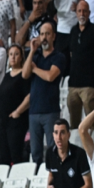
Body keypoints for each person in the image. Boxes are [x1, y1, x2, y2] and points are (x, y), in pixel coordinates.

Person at [23, 22, 65, 165]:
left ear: (54, 36)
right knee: (35, 152)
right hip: (34, 111)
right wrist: (32, 52)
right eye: (41, 34)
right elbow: (24, 74)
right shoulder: (35, 57)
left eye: (47, 34)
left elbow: (50, 76)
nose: (44, 37)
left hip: (50, 111)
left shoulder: (59, 56)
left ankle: (55, 178)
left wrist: (35, 69)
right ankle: (37, 179)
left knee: (54, 149)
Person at [67, 1, 94, 130]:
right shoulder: (73, 31)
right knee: (74, 125)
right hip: (73, 84)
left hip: (88, 85)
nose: (82, 14)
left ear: (89, 13)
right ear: (76, 13)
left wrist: (91, 69)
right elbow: (71, 54)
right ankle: (76, 150)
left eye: (85, 11)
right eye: (79, 11)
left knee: (91, 124)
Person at [0, 44, 30, 166]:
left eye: (16, 54)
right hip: (3, 123)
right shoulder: (7, 75)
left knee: (16, 154)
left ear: (21, 57)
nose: (13, 57)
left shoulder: (24, 75)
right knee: (3, 156)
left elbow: (29, 96)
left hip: (16, 123)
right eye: (11, 54)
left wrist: (18, 112)